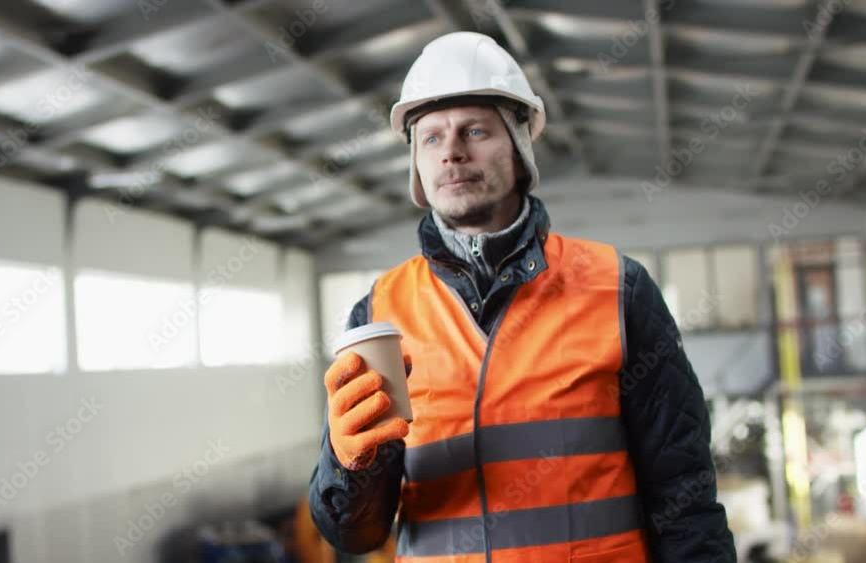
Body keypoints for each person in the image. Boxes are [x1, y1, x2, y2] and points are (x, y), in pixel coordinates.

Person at [308, 31, 736, 562]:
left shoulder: (617, 290)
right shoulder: (380, 313)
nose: (453, 153)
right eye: (432, 138)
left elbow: (685, 496)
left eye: (475, 130)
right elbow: (358, 536)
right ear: (415, 163)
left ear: (518, 145)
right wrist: (349, 471)